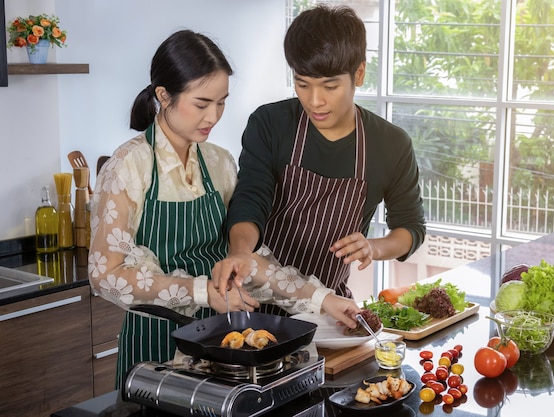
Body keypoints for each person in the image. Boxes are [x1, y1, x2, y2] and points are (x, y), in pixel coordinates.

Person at [89, 29, 360, 388]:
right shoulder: (127, 166)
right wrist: (202, 291)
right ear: (163, 95)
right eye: (202, 104)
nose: (213, 116)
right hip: (155, 348)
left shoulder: (218, 163)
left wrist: (324, 299)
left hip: (222, 349)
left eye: (221, 102)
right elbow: (105, 274)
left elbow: (245, 260)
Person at [213, 4, 426, 318]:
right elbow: (250, 198)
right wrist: (241, 254)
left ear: (360, 74)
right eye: (302, 84)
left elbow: (410, 228)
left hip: (329, 310)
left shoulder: (390, 144)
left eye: (330, 86)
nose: (315, 101)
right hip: (254, 303)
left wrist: (373, 247)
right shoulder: (271, 123)